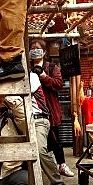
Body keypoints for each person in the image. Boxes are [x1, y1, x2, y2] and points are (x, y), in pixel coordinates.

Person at [29, 39, 74, 177]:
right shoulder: (27, 67)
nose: (34, 50)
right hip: (34, 110)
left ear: (44, 52)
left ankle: (61, 165)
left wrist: (43, 76)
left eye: (37, 48)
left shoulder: (52, 68)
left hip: (50, 110)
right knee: (40, 141)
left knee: (55, 139)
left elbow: (59, 84)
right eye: (32, 48)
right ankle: (45, 168)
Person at [29, 59, 65, 185]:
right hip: (23, 120)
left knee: (40, 150)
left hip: (40, 119)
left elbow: (58, 84)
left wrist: (44, 75)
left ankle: (57, 181)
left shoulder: (33, 77)